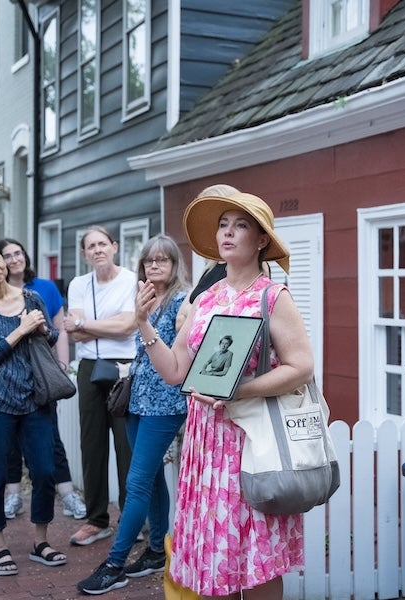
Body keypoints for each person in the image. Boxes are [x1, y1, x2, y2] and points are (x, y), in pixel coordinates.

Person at [135, 191, 311, 598]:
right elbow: (175, 370)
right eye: (223, 225)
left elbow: (301, 367)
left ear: (261, 240)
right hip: (205, 443)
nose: (228, 233)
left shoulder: (272, 296)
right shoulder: (206, 300)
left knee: (257, 557)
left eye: (241, 225)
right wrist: (143, 323)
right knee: (218, 555)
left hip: (250, 441)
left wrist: (239, 392)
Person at [77, 234, 191, 595]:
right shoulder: (145, 297)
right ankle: (157, 550)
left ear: (174, 266)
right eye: (148, 261)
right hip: (137, 399)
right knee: (153, 479)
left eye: (162, 260)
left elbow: (177, 353)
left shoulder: (182, 301)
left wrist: (142, 321)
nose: (154, 266)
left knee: (137, 482)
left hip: (166, 403)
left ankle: (115, 564)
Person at [0, 237, 68, 576]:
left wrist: (41, 329)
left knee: (45, 471)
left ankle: (40, 540)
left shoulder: (31, 297)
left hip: (35, 399)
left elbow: (48, 337)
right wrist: (19, 330)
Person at [0, 238, 86, 522]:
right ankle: (13, 496)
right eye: (6, 255)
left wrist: (61, 365)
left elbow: (56, 329)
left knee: (50, 443)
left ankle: (67, 494)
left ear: (25, 255)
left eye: (17, 253)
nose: (12, 259)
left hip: (40, 376)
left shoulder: (42, 290)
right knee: (8, 444)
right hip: (3, 383)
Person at [63, 226, 137, 546]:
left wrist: (83, 324)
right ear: (84, 254)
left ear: (114, 247)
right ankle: (96, 520)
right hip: (91, 368)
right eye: (90, 246)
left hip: (124, 368)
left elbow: (127, 327)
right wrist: (87, 327)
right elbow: (73, 333)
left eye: (102, 244)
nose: (97, 250)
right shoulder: (79, 284)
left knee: (126, 447)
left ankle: (131, 519)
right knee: (92, 445)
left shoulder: (132, 280)